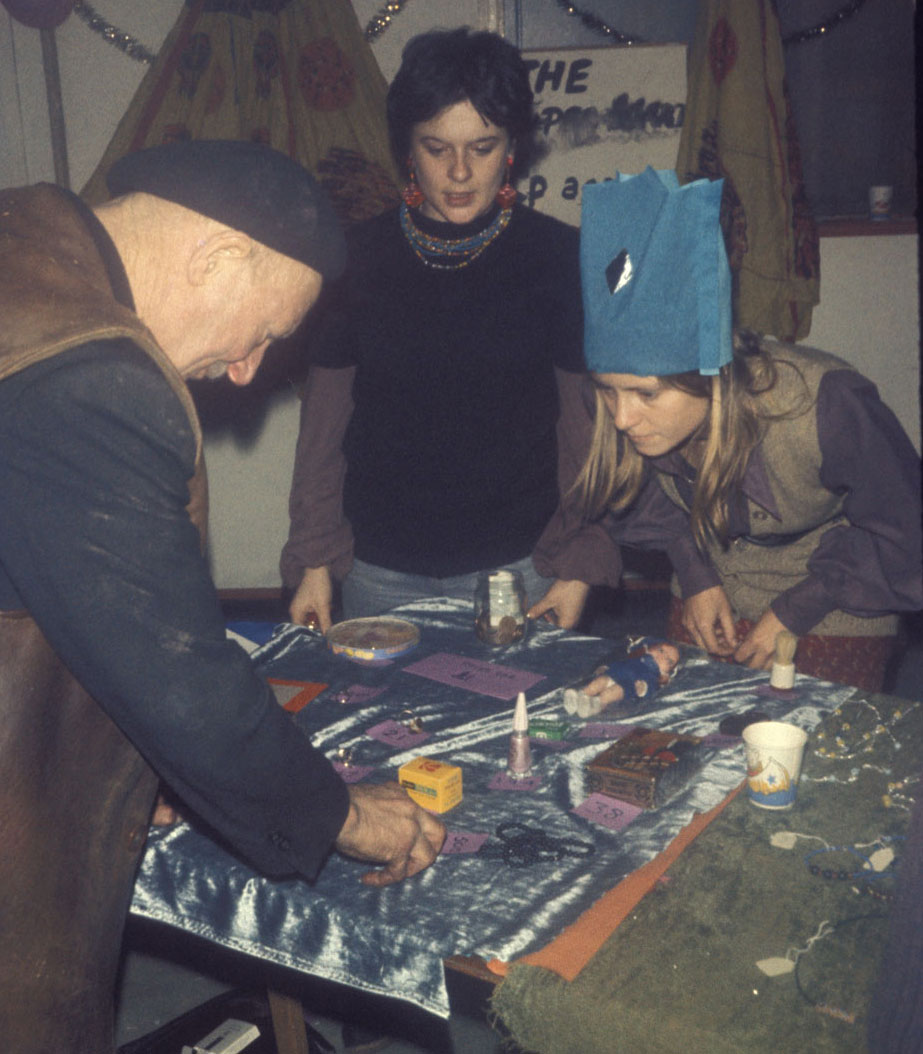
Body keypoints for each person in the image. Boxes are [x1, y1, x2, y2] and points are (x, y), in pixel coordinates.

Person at [0, 139, 444, 1054]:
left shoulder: (24, 233)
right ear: (218, 256)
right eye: (267, 334)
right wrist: (347, 817)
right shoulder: (94, 376)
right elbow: (181, 679)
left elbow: (58, 596)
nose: (246, 371)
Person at [280, 27, 620, 634]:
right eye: (437, 148)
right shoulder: (352, 259)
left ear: (512, 145)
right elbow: (323, 434)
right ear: (407, 149)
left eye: (483, 147)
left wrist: (578, 566)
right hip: (378, 569)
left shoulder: (559, 258)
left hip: (518, 568)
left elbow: (585, 437)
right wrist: (313, 561)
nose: (460, 172)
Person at [574, 167, 922, 692]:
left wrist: (796, 608)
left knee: (802, 748)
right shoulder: (629, 412)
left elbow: (906, 530)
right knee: (678, 737)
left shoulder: (825, 404)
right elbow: (649, 506)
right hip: (710, 587)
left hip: (840, 593)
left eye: (646, 394)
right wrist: (695, 576)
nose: (621, 418)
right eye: (608, 391)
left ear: (709, 378)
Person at [564, 636, 681, 718]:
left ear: (668, 672)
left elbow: (653, 687)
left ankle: (596, 704)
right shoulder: (636, 657)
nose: (663, 657)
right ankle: (582, 695)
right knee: (599, 682)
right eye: (661, 650)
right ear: (649, 648)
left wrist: (643, 688)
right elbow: (621, 662)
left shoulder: (654, 674)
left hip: (628, 684)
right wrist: (606, 667)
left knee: (611, 693)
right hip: (615, 673)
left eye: (669, 661)